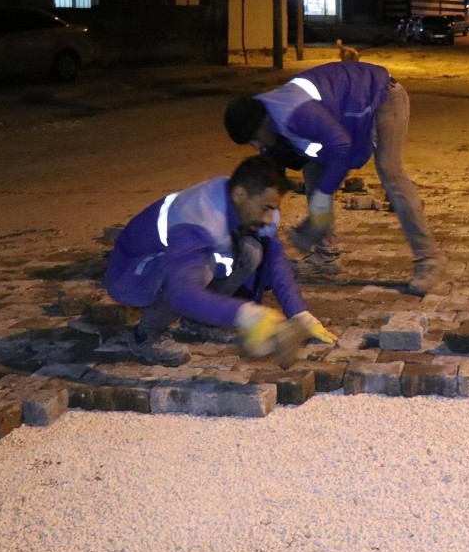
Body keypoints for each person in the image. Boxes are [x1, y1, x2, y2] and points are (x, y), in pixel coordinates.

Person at [223, 61, 443, 296]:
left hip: (382, 96)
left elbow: (341, 147)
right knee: (314, 169)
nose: (256, 146)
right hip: (344, 110)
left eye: (255, 139)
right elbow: (270, 183)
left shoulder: (295, 112)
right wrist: (247, 225)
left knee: (390, 170)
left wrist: (322, 199)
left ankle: (429, 261)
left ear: (264, 124)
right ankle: (325, 257)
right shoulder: (263, 116)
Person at [104, 155, 335, 367]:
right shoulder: (196, 218)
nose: (269, 217)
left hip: (178, 259)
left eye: (273, 208)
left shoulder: (247, 200)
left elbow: (275, 260)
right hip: (132, 272)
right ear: (241, 195)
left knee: (253, 251)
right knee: (202, 270)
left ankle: (199, 322)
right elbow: (182, 293)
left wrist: (299, 314)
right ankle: (147, 334)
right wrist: (249, 315)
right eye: (265, 208)